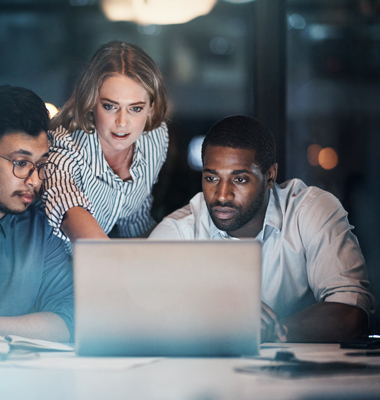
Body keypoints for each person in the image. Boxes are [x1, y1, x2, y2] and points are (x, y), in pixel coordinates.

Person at [149, 115, 376, 343]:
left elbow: (352, 313)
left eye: (239, 180)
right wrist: (214, 316)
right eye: (211, 178)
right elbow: (143, 318)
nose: (222, 195)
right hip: (210, 377)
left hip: (303, 376)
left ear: (270, 177)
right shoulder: (177, 233)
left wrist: (264, 332)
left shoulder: (309, 212)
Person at [42, 41, 168, 252]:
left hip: (102, 264)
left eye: (135, 108)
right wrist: (113, 266)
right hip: (50, 268)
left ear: (151, 108)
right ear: (91, 102)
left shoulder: (154, 138)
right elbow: (68, 208)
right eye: (110, 106)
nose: (122, 121)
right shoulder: (64, 146)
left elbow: (134, 219)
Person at [0, 85, 74, 342]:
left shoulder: (40, 232)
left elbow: (69, 320)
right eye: (21, 163)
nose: (35, 180)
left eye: (41, 165)